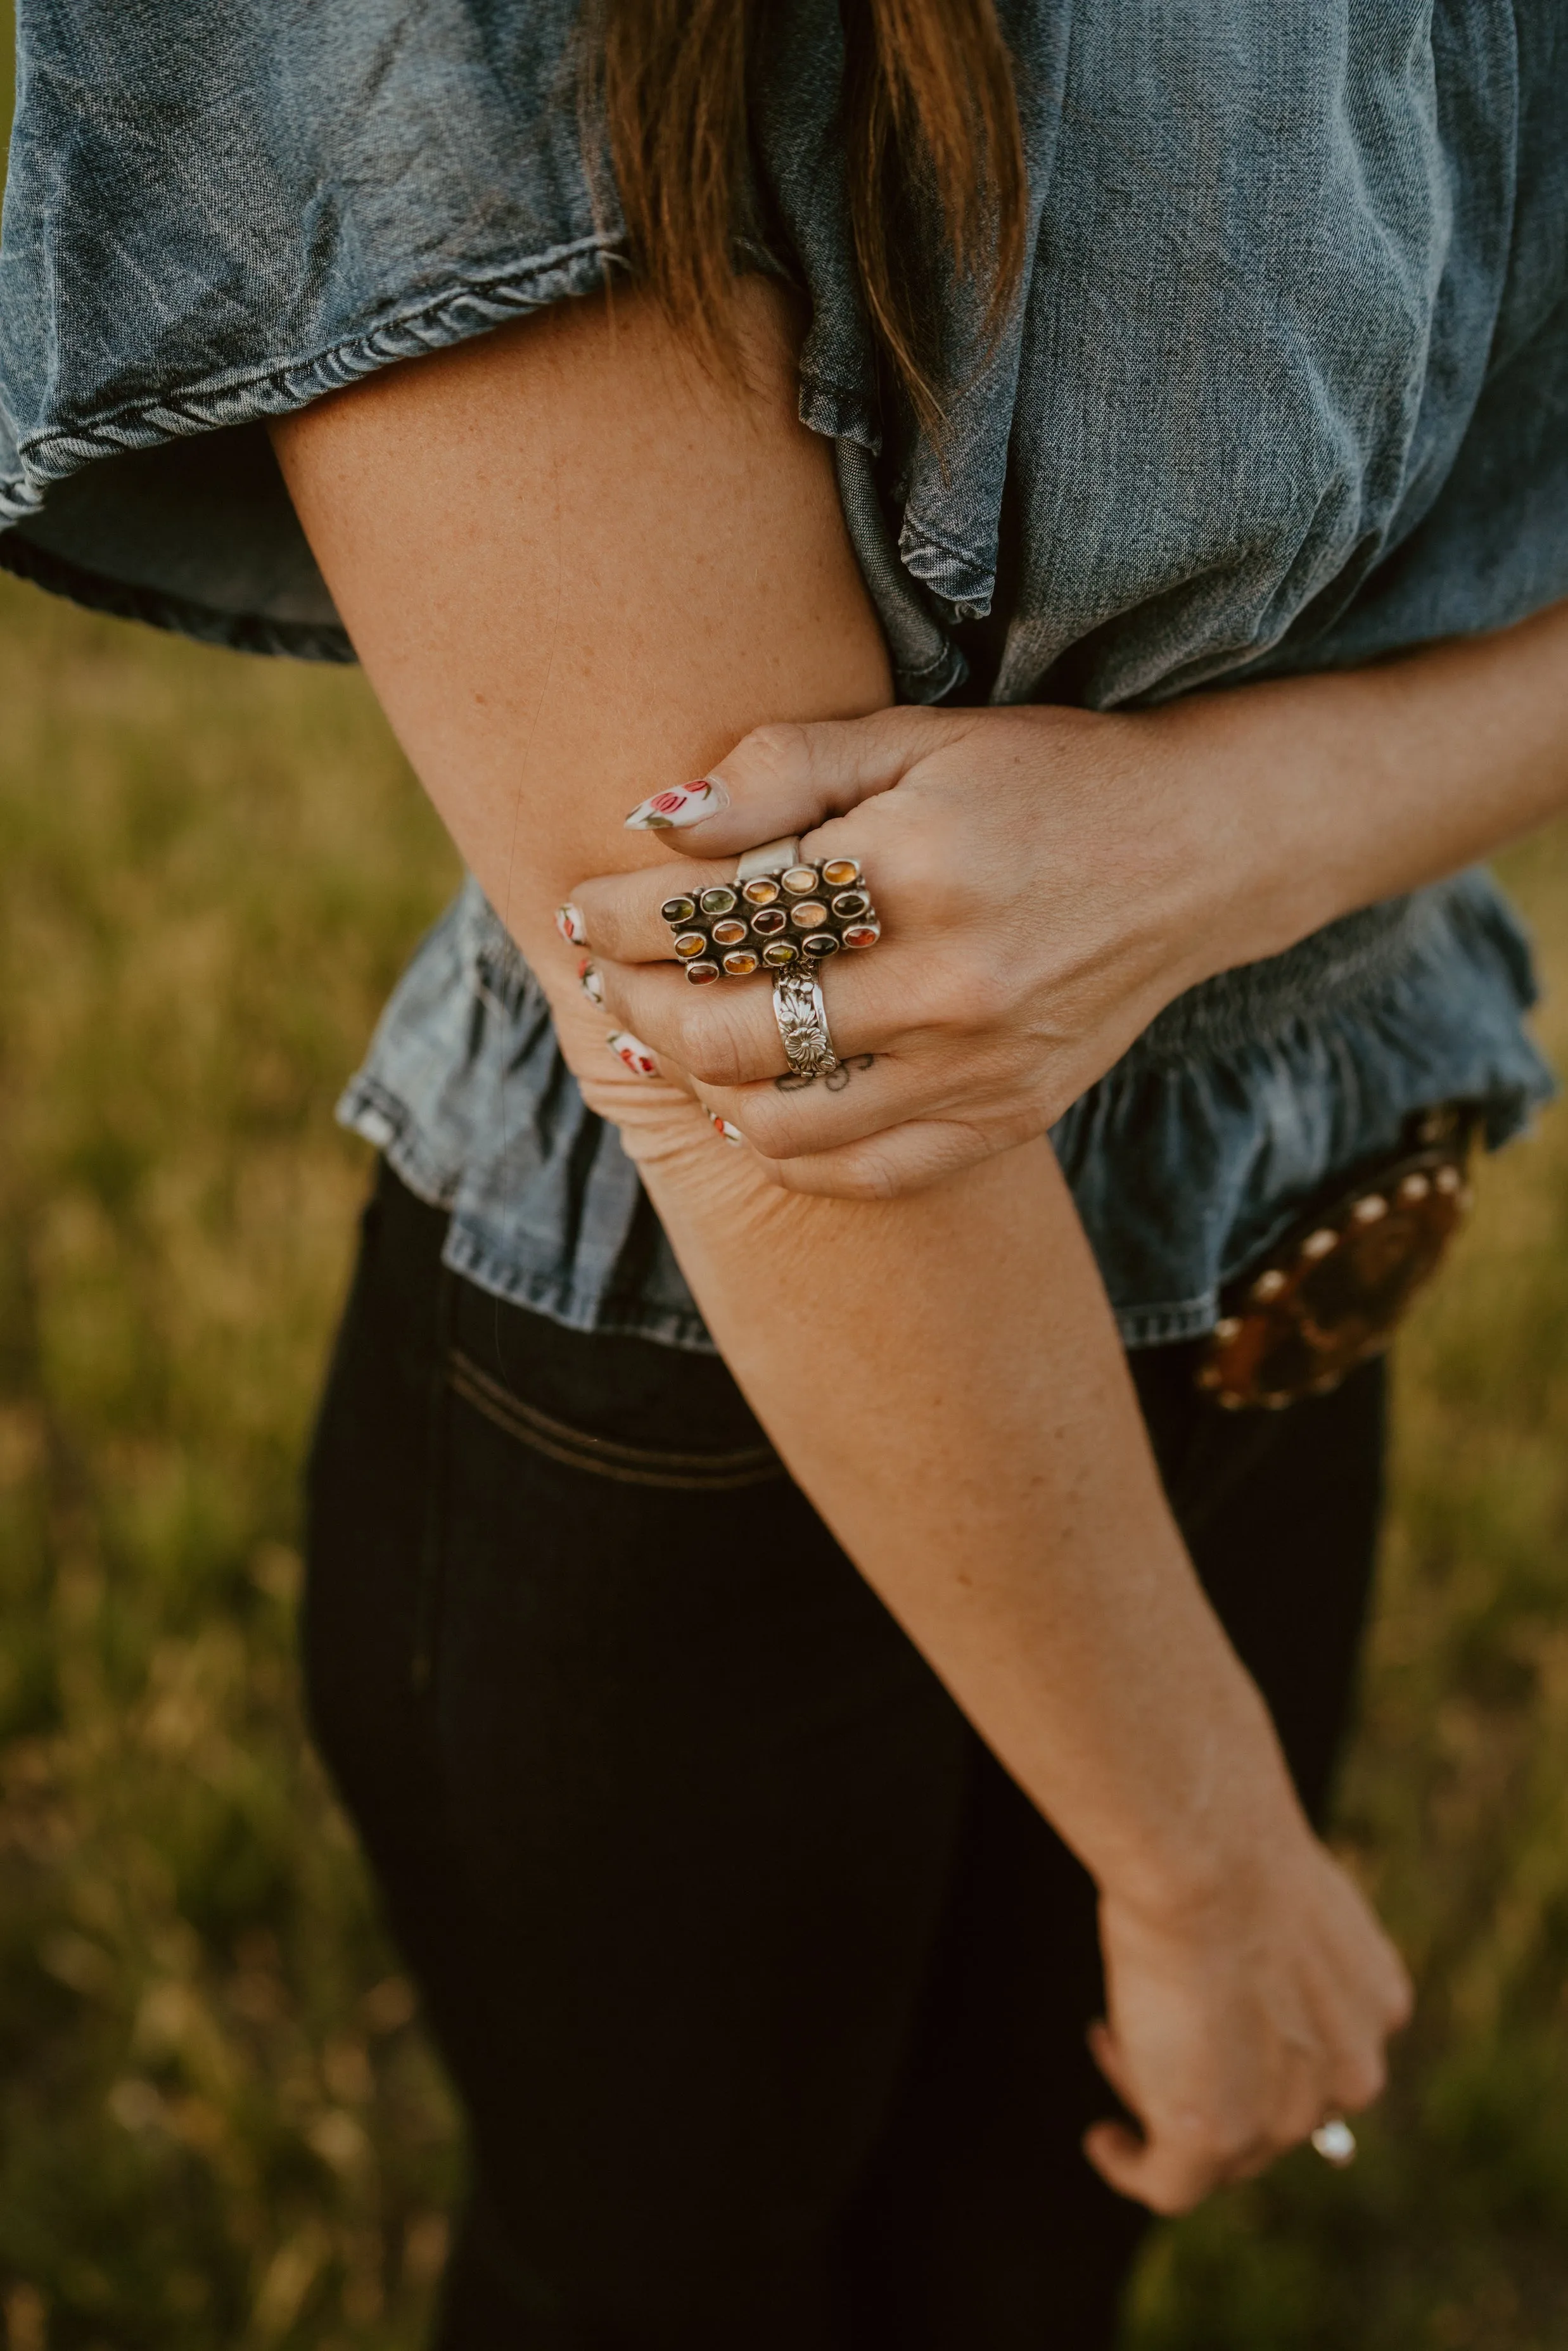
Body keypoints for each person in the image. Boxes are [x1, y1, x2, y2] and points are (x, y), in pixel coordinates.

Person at [3, 1, 1565, 2341]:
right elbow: (758, 1061)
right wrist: (1210, 1852)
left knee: (1023, 2276)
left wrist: (1223, 836)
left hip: (1304, 1245)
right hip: (703, 1400)